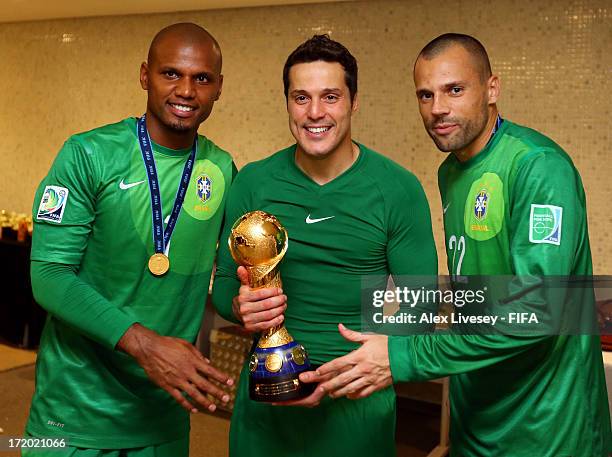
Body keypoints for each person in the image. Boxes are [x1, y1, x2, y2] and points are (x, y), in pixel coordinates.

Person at [309, 33, 612, 456]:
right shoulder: (451, 171)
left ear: (492, 89)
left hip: (546, 428)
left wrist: (402, 356)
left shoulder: (538, 167)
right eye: (425, 94)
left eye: (454, 90)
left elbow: (539, 309)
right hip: (478, 419)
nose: (437, 108)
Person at [211, 34, 437, 456]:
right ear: (287, 103)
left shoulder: (397, 189)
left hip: (356, 400)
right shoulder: (253, 182)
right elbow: (224, 286)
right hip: (267, 395)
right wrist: (242, 306)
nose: (315, 112)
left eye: (330, 96)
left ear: (354, 101)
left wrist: (386, 356)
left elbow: (420, 303)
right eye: (301, 97)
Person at [24, 23, 236, 457]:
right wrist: (145, 344)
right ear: (145, 75)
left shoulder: (222, 169)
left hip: (163, 420)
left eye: (202, 79)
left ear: (218, 88)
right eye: (171, 74)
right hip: (72, 417)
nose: (186, 91)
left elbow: (231, 280)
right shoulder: (89, 155)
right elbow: (48, 275)